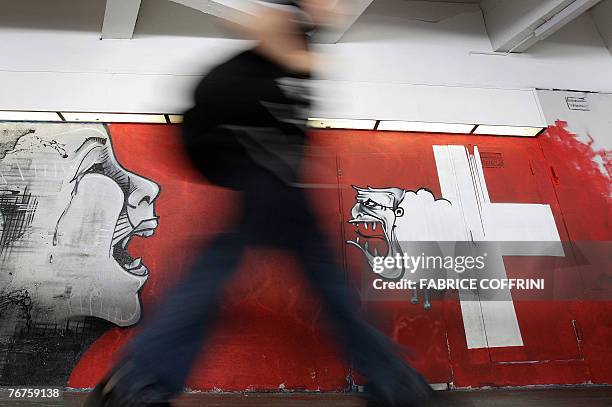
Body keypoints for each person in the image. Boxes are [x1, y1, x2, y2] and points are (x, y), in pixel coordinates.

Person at [85, 1, 433, 406]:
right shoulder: (285, 27)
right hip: (263, 176)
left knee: (286, 284)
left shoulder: (301, 38)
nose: (335, 7)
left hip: (280, 181)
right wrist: (287, 48)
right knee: (229, 281)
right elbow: (255, 63)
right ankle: (135, 383)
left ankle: (135, 383)